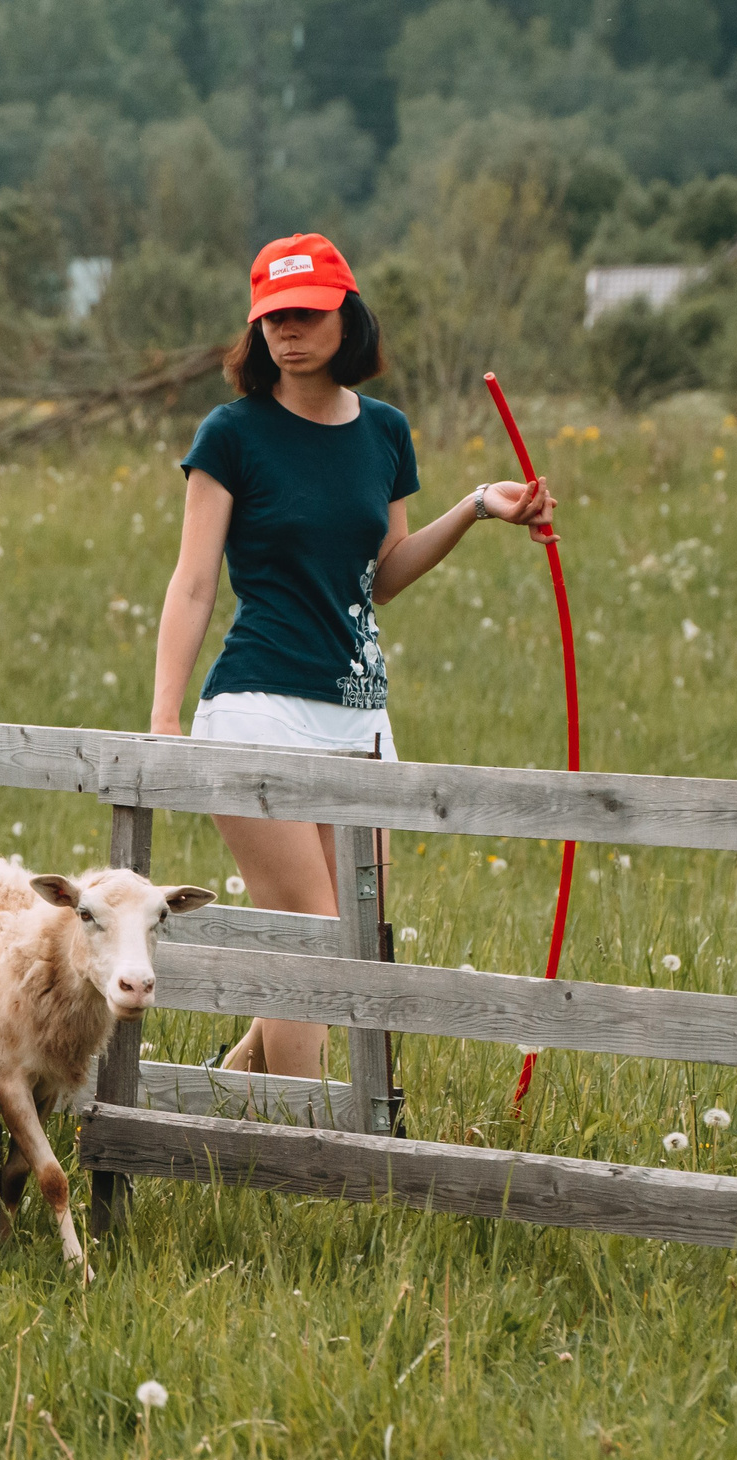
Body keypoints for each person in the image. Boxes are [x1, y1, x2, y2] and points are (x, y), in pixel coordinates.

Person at [149, 233, 556, 1079]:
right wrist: (161, 722)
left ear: (347, 318)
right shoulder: (231, 434)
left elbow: (382, 575)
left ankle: (230, 1103)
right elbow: (192, 585)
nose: (288, 331)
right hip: (256, 705)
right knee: (307, 925)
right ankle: (308, 1151)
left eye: (307, 313)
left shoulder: (386, 434)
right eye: (272, 317)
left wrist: (479, 505)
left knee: (353, 931)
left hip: (360, 712)